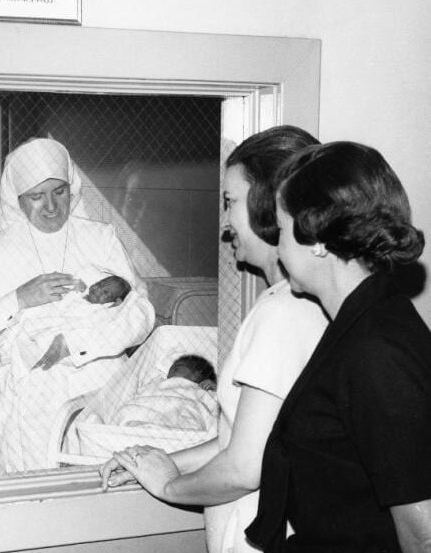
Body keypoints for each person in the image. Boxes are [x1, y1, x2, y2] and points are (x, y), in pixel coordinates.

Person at [100, 125, 329, 553]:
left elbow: (243, 468)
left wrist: (169, 484)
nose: (226, 224)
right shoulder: (290, 301)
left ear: (269, 205)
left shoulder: (284, 313)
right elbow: (233, 440)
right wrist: (152, 463)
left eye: (231, 203)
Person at [245, 142, 431, 552]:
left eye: (281, 227)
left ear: (317, 237)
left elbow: (423, 533)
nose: (276, 246)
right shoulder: (362, 319)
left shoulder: (375, 348)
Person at [0, 137, 155, 472]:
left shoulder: (101, 238)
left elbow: (142, 313)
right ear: (17, 200)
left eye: (59, 192)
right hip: (29, 413)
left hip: (99, 399)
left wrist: (77, 345)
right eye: (36, 196)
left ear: (72, 187)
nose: (51, 207)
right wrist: (19, 299)